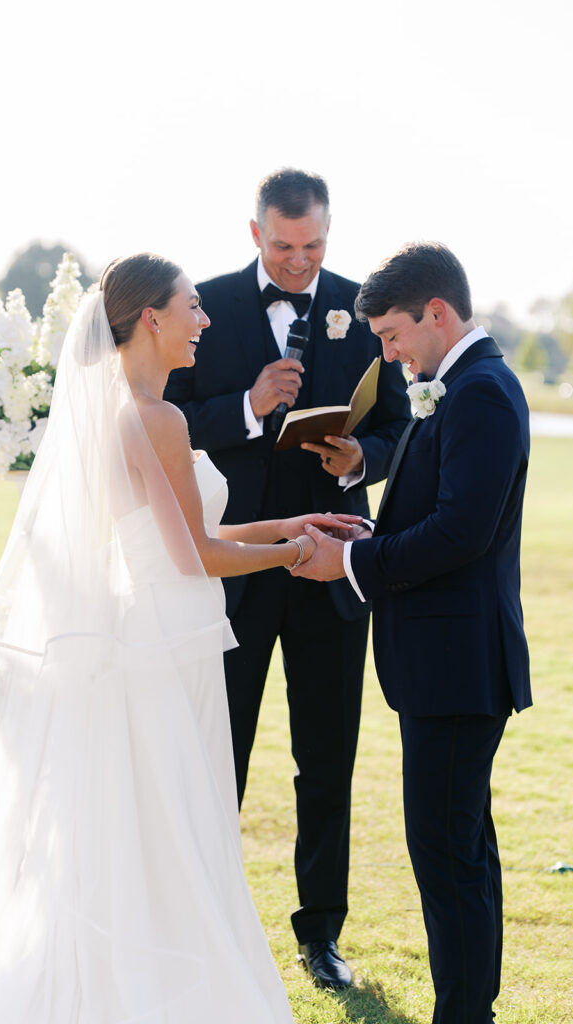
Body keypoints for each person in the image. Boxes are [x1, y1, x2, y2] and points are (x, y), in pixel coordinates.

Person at [0, 253, 359, 1023]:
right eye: (192, 308)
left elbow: (188, 533)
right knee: (174, 819)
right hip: (166, 641)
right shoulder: (157, 416)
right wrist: (296, 557)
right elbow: (196, 556)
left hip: (146, 629)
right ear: (152, 317)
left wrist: (289, 522)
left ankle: (123, 976)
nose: (205, 320)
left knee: (144, 819)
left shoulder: (125, 409)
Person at [164, 168, 411, 988]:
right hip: (231, 570)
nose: (301, 262)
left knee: (327, 760)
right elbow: (161, 421)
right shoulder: (200, 306)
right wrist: (247, 404)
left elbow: (398, 430)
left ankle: (321, 936)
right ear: (254, 234)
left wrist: (359, 459)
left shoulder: (362, 307)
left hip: (332, 571)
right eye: (284, 246)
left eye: (314, 246)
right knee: (217, 754)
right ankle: (204, 926)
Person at [293, 242, 532, 1023]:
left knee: (447, 853)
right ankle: (471, 1009)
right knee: (460, 846)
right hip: (444, 662)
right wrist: (370, 526)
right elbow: (440, 514)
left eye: (393, 335)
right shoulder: (455, 385)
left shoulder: (482, 392)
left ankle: (464, 1014)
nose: (388, 353)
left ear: (437, 314)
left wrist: (351, 561)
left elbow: (463, 533)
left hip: (459, 665)